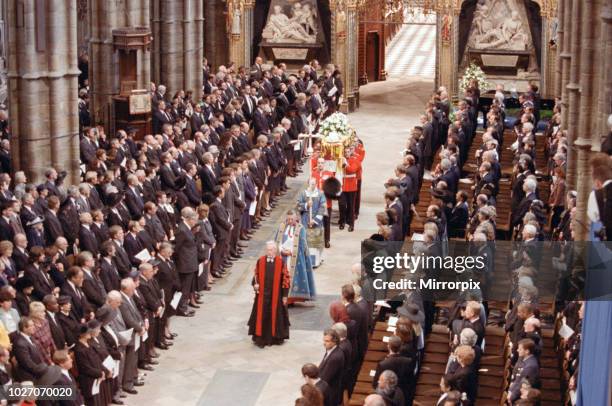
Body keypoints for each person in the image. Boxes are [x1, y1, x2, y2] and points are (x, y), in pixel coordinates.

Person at [247, 241, 290, 348]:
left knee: (275, 316)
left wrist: (285, 296)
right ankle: (261, 338)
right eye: (267, 249)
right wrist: (255, 285)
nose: (268, 252)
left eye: (271, 250)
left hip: (276, 296)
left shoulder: (281, 263)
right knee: (262, 316)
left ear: (275, 251)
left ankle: (275, 338)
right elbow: (255, 276)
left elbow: (286, 280)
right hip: (262, 295)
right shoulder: (260, 261)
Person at [274, 210, 315, 304]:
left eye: (291, 219)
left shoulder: (301, 229)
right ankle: (282, 297)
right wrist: (281, 250)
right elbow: (277, 241)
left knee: (293, 278)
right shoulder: (282, 226)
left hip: (295, 258)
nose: (289, 221)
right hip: (282, 256)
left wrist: (291, 251)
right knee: (282, 277)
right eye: (288, 219)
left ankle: (290, 299)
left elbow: (303, 245)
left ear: (296, 218)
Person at [297, 178, 326, 267]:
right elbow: (298, 206)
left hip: (317, 222)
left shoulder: (320, 194)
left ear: (316, 184)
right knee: (307, 242)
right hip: (306, 221)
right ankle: (307, 261)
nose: (312, 186)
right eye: (311, 184)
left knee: (316, 242)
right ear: (308, 184)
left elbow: (322, 207)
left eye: (314, 184)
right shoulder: (303, 193)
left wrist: (315, 220)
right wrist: (306, 205)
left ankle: (316, 261)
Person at [318, 328, 345, 406]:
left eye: (327, 341)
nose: (324, 343)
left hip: (330, 393)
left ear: (335, 341)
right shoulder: (330, 349)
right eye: (324, 340)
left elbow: (325, 379)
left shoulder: (335, 357)